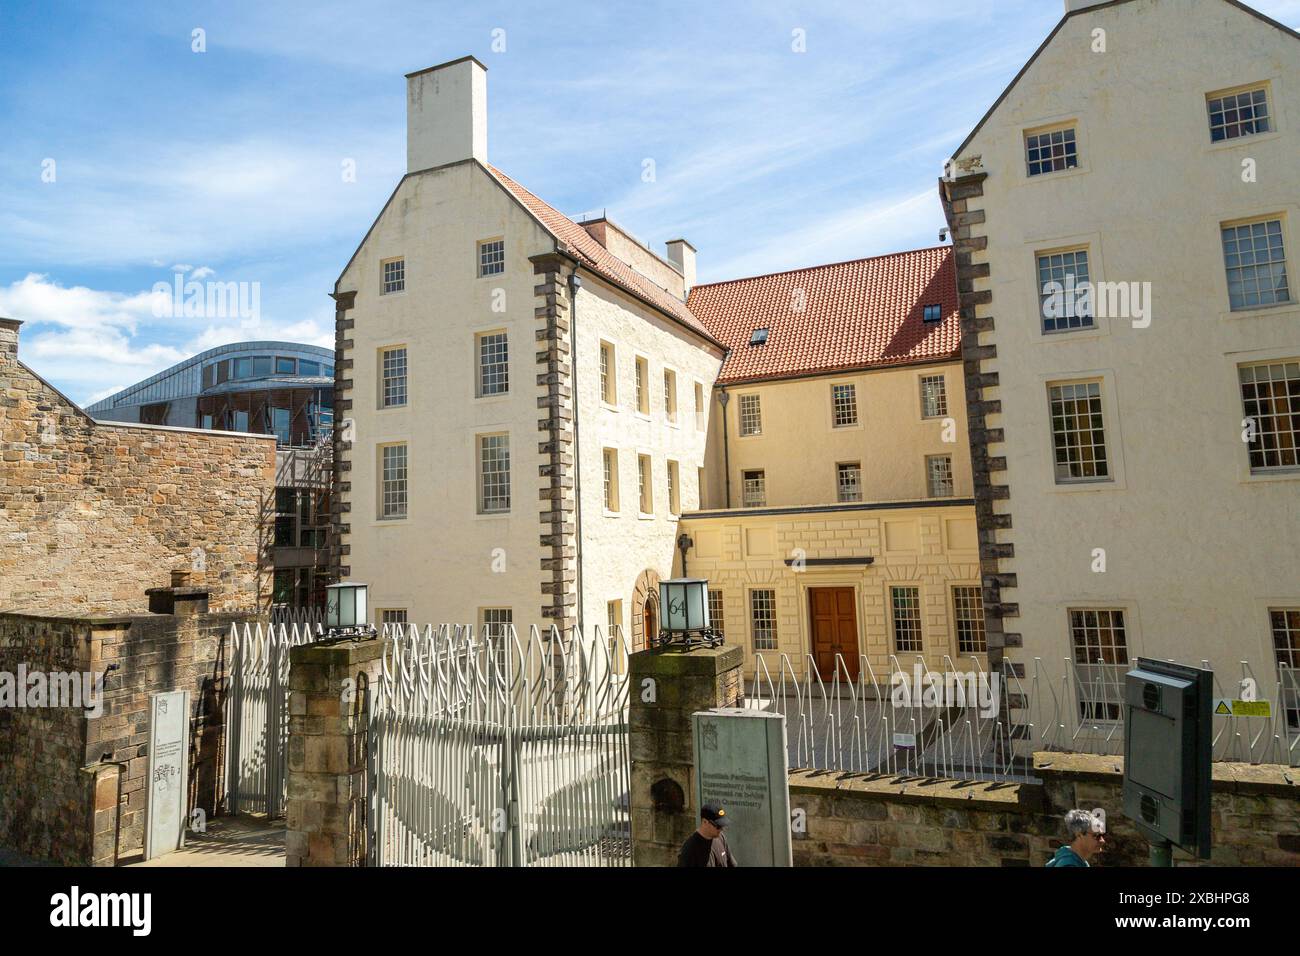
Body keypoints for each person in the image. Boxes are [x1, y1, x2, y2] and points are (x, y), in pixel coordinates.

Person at [677, 802, 738, 867]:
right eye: (718, 826)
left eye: (722, 826)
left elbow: (732, 864)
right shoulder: (689, 851)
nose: (721, 829)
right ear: (705, 822)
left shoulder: (720, 837)